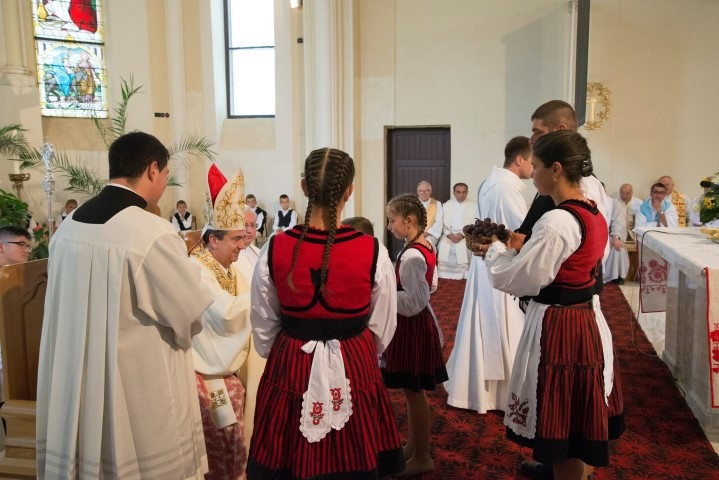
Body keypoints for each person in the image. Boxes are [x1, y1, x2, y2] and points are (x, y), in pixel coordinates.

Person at [36, 131, 214, 479]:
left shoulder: (68, 228)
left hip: (76, 385)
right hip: (135, 386)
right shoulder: (151, 233)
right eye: (165, 175)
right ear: (152, 169)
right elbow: (190, 312)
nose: (164, 183)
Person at [248, 148, 404, 479]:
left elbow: (263, 327)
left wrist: (286, 352)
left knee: (286, 456)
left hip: (292, 361)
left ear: (304, 187)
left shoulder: (273, 248)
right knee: (354, 452)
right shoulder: (374, 251)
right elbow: (383, 326)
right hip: (354, 361)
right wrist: (356, 349)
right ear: (349, 190)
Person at [485, 131, 624, 480]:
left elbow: (518, 278)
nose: (532, 175)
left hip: (561, 327)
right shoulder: (591, 210)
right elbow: (571, 263)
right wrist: (525, 248)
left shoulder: (557, 220)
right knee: (577, 423)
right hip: (584, 318)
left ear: (557, 169)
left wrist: (496, 250)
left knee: (564, 427)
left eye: (537, 167)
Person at [444, 136, 532, 414]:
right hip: (500, 264)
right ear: (520, 159)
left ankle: (476, 390)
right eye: (532, 161)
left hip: (485, 263)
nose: (534, 167)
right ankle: (501, 395)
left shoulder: (488, 182)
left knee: (482, 323)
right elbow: (521, 233)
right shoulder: (507, 188)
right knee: (504, 323)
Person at [191, 165, 252, 479]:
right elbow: (226, 314)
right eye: (236, 239)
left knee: (235, 444)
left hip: (225, 372)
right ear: (213, 240)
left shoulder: (228, 267)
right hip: (206, 376)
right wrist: (265, 297)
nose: (242, 245)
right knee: (220, 445)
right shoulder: (196, 269)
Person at [382, 193, 447, 478]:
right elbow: (432, 286)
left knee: (414, 392)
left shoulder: (410, 256)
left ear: (409, 221)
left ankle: (422, 456)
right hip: (415, 325)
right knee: (412, 392)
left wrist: (384, 294)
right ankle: (414, 445)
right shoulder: (424, 244)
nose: (388, 226)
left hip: (413, 328)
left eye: (391, 220)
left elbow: (415, 302)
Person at [234, 206, 265, 453]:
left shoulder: (257, 251)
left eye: (253, 225)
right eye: (244, 225)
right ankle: (250, 445)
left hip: (260, 328)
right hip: (242, 331)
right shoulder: (229, 255)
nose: (249, 230)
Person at [603, 184, 642, 284]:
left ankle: (617, 275)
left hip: (626, 232)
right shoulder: (614, 201)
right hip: (603, 234)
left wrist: (616, 236)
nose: (624, 196)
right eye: (622, 193)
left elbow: (618, 222)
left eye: (627, 193)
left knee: (617, 246)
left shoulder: (612, 203)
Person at [436, 183, 477, 279]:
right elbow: (441, 223)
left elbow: (475, 224)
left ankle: (464, 273)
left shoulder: (474, 206)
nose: (461, 195)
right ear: (454, 193)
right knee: (443, 245)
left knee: (464, 247)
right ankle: (444, 273)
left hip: (465, 235)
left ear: (467, 192)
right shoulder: (446, 205)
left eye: (464, 192)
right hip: (449, 234)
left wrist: (463, 234)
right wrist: (448, 234)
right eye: (458, 192)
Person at [415, 181, 443, 247]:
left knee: (427, 247)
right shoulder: (412, 204)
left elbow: (439, 222)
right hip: (415, 234)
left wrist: (427, 233)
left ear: (430, 192)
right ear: (417, 192)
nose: (424, 193)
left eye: (427, 191)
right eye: (421, 191)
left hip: (431, 234)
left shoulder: (437, 204)